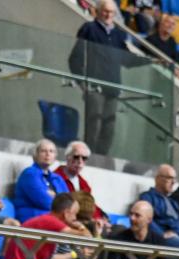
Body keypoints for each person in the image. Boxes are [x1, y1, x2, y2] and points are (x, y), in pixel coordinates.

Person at [69, 0, 138, 156]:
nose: (108, 15)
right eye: (105, 11)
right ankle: (87, 157)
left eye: (111, 12)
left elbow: (127, 59)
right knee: (93, 125)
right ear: (98, 11)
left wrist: (151, 62)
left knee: (109, 127)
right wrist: (82, 82)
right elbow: (75, 57)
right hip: (94, 86)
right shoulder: (89, 29)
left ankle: (101, 160)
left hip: (113, 87)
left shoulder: (118, 35)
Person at [4, 192, 87, 259]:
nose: (75, 218)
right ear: (66, 213)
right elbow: (83, 236)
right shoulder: (51, 221)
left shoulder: (49, 223)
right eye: (75, 214)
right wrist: (81, 227)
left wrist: (75, 254)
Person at [106, 200, 171, 259]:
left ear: (149, 220)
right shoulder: (118, 239)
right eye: (131, 214)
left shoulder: (158, 240)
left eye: (137, 215)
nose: (132, 218)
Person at [14, 139, 72, 223]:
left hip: (54, 218)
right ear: (35, 155)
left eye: (51, 151)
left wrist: (54, 196)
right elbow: (44, 201)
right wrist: (57, 197)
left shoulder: (57, 178)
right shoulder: (29, 174)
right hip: (32, 217)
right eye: (43, 151)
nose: (48, 154)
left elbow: (69, 202)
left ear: (55, 156)